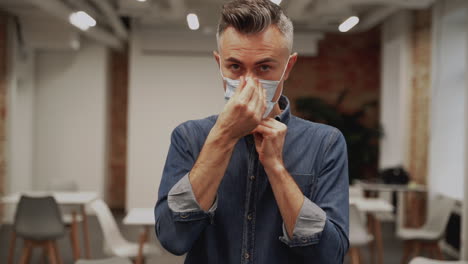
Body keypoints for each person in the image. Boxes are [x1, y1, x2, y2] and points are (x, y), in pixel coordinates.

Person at [155, 0, 349, 263]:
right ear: (219, 63)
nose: (248, 83)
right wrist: (223, 136)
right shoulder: (190, 137)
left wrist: (277, 169)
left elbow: (330, 255)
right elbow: (172, 238)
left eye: (264, 67)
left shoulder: (325, 143)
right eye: (235, 67)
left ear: (287, 68)